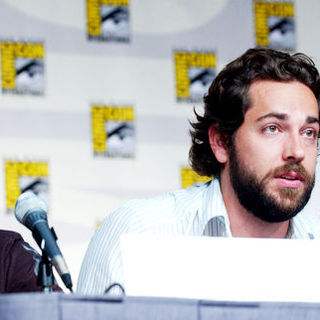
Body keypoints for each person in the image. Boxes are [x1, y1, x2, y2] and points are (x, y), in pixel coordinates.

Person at [77, 48, 320, 294]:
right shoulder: (138, 233)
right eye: (272, 128)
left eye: (309, 132)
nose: (297, 151)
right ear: (222, 143)